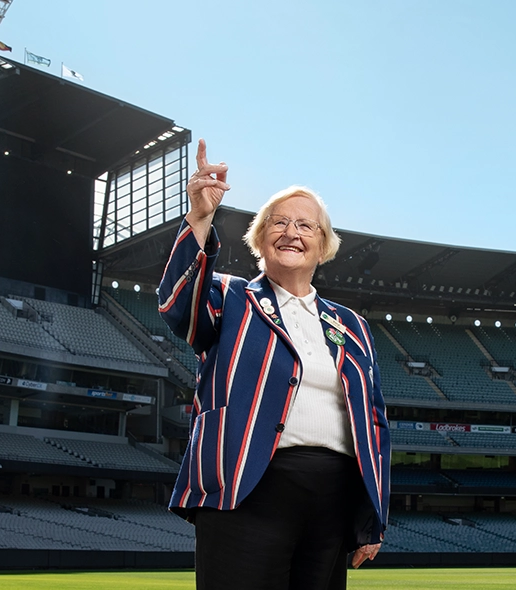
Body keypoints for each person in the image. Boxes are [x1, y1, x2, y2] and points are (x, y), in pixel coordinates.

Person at [159, 140, 390, 590]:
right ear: (259, 238)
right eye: (279, 223)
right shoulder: (230, 297)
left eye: (307, 225)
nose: (292, 232)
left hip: (332, 499)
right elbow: (176, 305)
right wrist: (200, 217)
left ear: (323, 245)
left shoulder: (353, 326)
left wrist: (372, 512)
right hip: (247, 487)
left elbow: (374, 422)